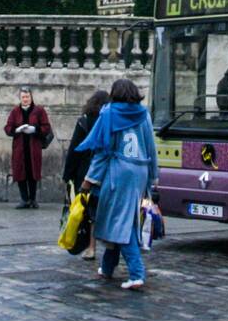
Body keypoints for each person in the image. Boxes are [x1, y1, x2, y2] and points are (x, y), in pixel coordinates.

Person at [77, 78, 159, 291]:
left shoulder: (109, 113)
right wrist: (153, 177)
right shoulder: (143, 114)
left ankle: (136, 272)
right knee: (121, 218)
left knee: (121, 223)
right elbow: (151, 148)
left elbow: (102, 152)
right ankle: (107, 267)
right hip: (139, 172)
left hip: (119, 172)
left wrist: (88, 181)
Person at [62, 89, 109, 259]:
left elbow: (74, 150)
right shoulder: (109, 121)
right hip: (104, 172)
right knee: (98, 211)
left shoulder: (84, 121)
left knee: (86, 211)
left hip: (85, 171)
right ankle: (102, 246)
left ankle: (90, 247)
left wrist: (67, 175)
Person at [5, 87, 51, 209]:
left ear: (31, 97)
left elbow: (46, 127)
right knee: (20, 172)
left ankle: (33, 199)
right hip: (19, 148)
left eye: (27, 97)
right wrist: (17, 130)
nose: (25, 99)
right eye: (23, 97)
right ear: (20, 98)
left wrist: (35, 129)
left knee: (32, 173)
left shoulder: (39, 111)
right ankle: (24, 199)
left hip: (33, 147)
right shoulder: (15, 111)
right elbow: (8, 128)